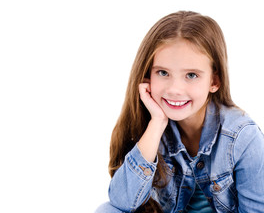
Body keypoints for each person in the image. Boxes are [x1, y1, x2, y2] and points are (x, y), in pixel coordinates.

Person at [95, 11, 264, 213]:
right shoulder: (149, 126)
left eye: (191, 75)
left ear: (214, 81)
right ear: (148, 75)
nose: (175, 89)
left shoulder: (242, 136)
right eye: (163, 73)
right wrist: (157, 123)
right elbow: (121, 202)